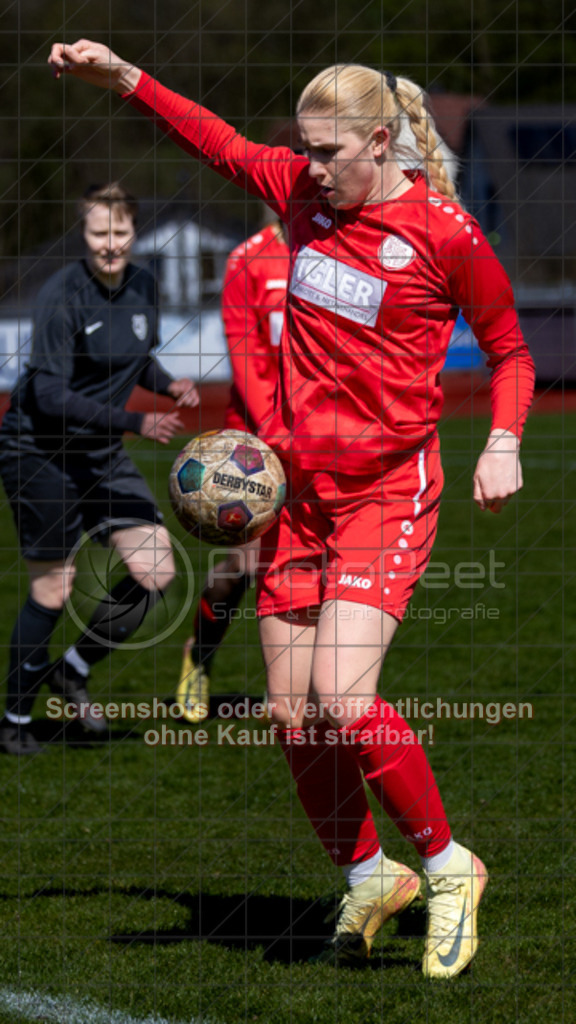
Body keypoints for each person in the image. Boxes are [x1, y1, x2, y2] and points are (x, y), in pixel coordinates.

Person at [49, 42, 535, 978]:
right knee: (289, 712)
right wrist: (126, 80)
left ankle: (446, 866)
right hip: (300, 497)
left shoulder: (444, 232)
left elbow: (511, 348)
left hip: (389, 492)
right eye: (303, 152)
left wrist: (505, 440)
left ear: (380, 141)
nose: (306, 169)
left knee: (344, 703)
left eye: (326, 152)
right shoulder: (304, 197)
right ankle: (368, 878)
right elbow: (219, 144)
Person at [0, 182, 199, 756]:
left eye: (119, 233)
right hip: (39, 451)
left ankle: (73, 667)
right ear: (83, 234)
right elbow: (50, 395)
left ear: (133, 232)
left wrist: (168, 385)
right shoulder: (63, 296)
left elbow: (137, 359)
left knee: (157, 567)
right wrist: (137, 422)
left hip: (100, 454)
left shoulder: (144, 285)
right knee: (53, 587)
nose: (109, 245)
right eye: (97, 234)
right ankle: (13, 718)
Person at [177, 218, 289, 723]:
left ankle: (298, 690)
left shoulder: (344, 248)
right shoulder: (249, 258)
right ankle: (197, 661)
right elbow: (246, 360)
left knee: (318, 569)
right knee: (241, 570)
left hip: (329, 437)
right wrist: (278, 437)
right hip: (256, 442)